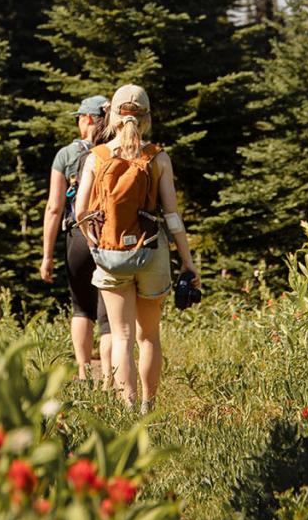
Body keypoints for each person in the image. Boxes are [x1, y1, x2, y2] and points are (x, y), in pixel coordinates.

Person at [73, 83, 197, 413]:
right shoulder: (157, 158)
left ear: (112, 116)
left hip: (110, 255)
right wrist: (187, 261)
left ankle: (126, 406)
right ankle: (147, 405)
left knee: (122, 337)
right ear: (146, 118)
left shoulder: (96, 158)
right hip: (151, 252)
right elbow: (171, 215)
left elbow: (80, 212)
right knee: (149, 337)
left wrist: (94, 242)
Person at [40, 95, 113, 384]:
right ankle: (110, 379)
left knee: (81, 308)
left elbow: (54, 208)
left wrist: (47, 256)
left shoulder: (65, 156)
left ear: (87, 119)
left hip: (78, 237)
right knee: (109, 317)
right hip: (110, 237)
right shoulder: (113, 151)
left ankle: (83, 374)